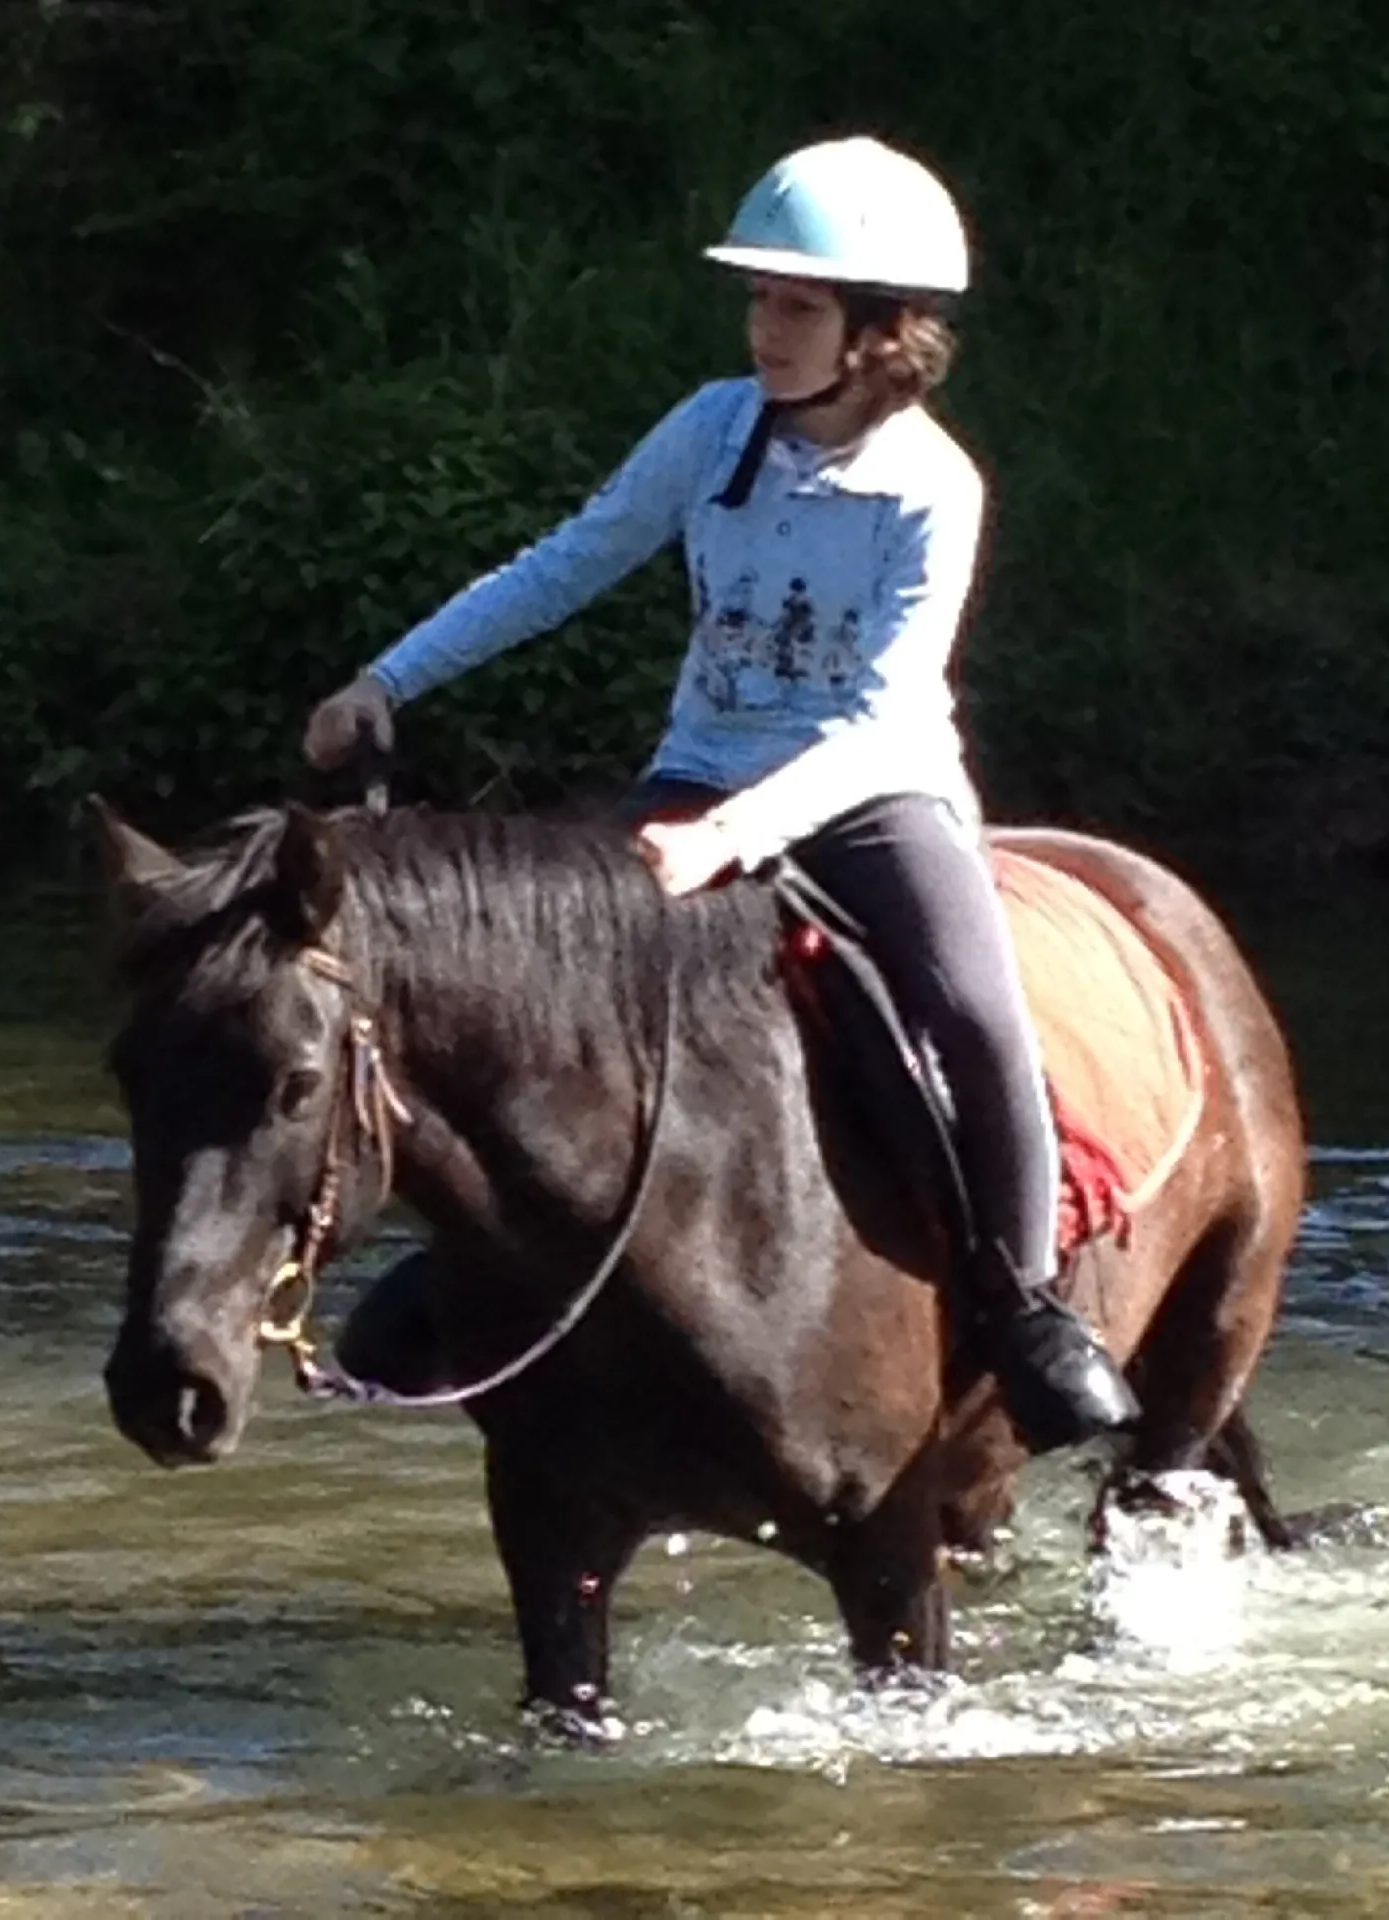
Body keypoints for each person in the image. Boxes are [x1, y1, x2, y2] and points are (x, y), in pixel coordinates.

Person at [304, 136, 1138, 1453]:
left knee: (976, 1019)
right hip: (698, 775)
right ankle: (481, 1267)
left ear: (880, 332)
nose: (765, 326)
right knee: (533, 1001)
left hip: (872, 794)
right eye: (758, 299)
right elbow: (569, 562)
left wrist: (733, 837)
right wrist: (391, 678)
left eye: (796, 306)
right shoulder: (711, 428)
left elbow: (879, 713)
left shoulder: (933, 486)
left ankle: (1021, 1299)